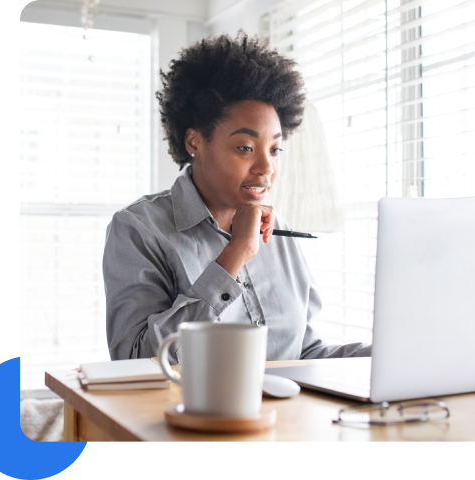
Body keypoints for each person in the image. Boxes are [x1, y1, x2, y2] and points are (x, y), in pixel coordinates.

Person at [103, 32, 371, 362]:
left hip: (286, 415)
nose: (266, 168)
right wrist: (237, 252)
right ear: (194, 142)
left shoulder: (281, 234)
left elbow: (306, 353)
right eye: (245, 148)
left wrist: (389, 354)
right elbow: (135, 360)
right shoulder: (140, 230)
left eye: (275, 149)